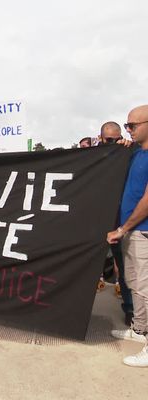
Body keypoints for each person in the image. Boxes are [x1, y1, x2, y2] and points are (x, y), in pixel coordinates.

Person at [107, 104, 148, 367]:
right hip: (132, 232)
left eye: (132, 125)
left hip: (143, 231)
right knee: (134, 284)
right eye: (127, 126)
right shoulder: (135, 153)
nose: (128, 130)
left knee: (145, 289)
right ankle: (139, 329)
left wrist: (123, 228)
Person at [98, 121, 134, 324]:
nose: (113, 143)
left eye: (117, 139)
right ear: (101, 137)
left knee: (125, 269)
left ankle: (130, 310)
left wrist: (129, 147)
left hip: (119, 223)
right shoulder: (92, 157)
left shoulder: (128, 154)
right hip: (94, 222)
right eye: (109, 140)